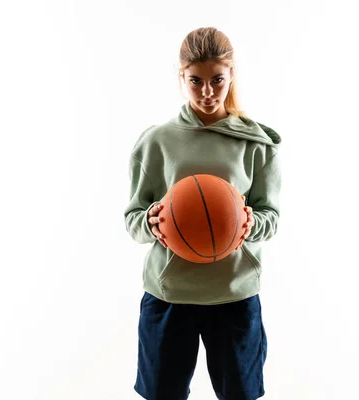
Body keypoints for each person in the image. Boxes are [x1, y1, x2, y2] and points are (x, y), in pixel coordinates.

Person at [123, 26, 282, 400]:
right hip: (169, 293)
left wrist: (248, 223)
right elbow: (132, 218)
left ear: (231, 77)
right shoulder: (155, 142)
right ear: (181, 78)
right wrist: (152, 221)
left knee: (240, 395)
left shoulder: (257, 143)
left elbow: (270, 216)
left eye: (217, 80)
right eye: (195, 80)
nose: (207, 92)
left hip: (234, 293)